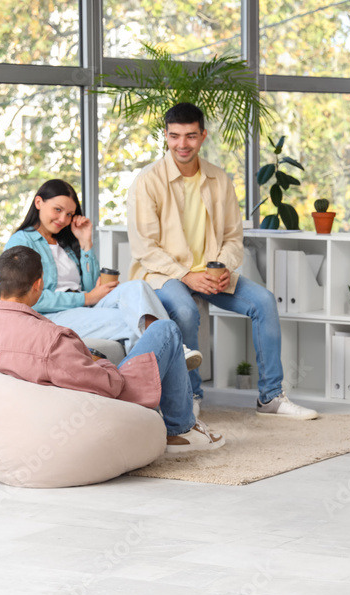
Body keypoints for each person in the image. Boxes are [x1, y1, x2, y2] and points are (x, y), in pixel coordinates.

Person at [127, 102, 317, 421]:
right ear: (166, 136)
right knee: (185, 311)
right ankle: (191, 397)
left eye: (190, 136)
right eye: (174, 136)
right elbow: (145, 248)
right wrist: (187, 275)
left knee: (264, 302)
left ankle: (271, 397)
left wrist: (224, 268)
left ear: (203, 136)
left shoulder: (219, 179)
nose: (182, 144)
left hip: (213, 275)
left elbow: (232, 236)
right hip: (164, 276)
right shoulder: (147, 182)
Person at [0, 246, 223, 453]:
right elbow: (109, 387)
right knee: (166, 330)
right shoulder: (52, 338)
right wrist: (99, 362)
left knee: (139, 313)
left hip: (34, 419)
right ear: (39, 284)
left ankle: (182, 421)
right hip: (110, 404)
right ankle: (180, 430)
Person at [4, 178, 201, 368]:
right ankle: (171, 353)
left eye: (70, 214)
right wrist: (86, 298)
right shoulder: (21, 242)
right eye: (57, 210)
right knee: (131, 322)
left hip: (84, 306)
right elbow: (30, 298)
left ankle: (171, 350)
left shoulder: (65, 244)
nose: (63, 219)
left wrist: (85, 243)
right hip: (53, 316)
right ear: (38, 202)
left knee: (138, 286)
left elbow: (89, 287)